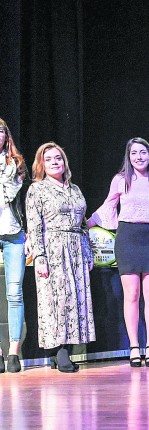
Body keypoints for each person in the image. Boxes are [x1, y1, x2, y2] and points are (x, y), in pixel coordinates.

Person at [88, 138, 149, 367]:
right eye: (134, 153)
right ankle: (134, 346)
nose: (139, 157)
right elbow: (108, 206)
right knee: (132, 295)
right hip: (128, 237)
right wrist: (85, 223)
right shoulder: (120, 180)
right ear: (128, 157)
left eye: (143, 152)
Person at [25, 142, 94, 373]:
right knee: (56, 300)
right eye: (49, 159)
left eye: (58, 158)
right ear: (41, 164)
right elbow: (34, 226)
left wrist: (87, 252)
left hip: (75, 248)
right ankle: (58, 351)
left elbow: (83, 224)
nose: (55, 162)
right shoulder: (37, 189)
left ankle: (66, 349)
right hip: (52, 249)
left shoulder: (74, 189)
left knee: (75, 299)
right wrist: (40, 256)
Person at [0, 119, 28, 373]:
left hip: (13, 233)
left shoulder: (16, 166)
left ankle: (13, 352)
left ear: (6, 136)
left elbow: (20, 200)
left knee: (14, 292)